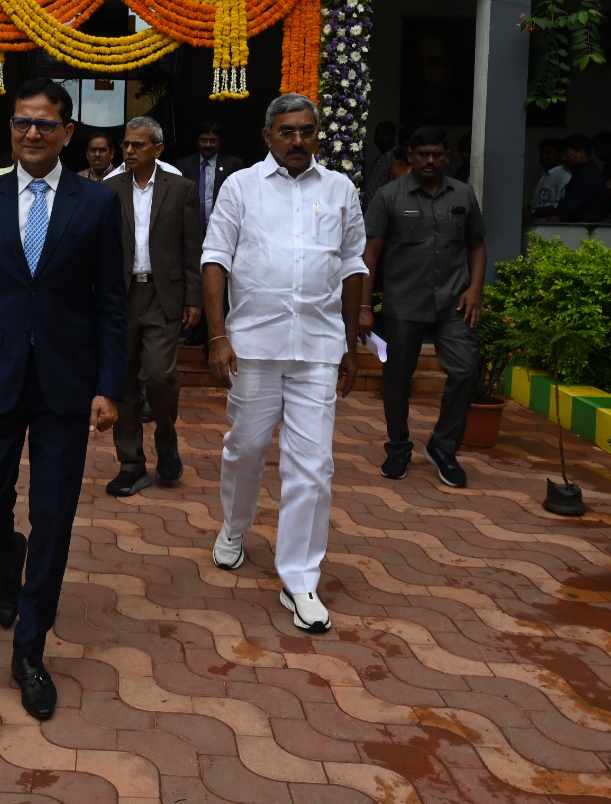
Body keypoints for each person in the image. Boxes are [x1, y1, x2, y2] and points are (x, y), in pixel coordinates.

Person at [0, 77, 125, 722]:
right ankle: (6, 554)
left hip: (66, 384)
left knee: (54, 518)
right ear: (10, 129)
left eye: (45, 124)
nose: (32, 133)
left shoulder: (97, 204)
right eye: (22, 122)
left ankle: (30, 650)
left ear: (67, 133)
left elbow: (111, 303)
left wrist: (108, 385)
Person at [202, 93, 366, 634]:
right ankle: (235, 526)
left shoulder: (340, 189)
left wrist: (350, 342)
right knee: (245, 448)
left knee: (313, 466)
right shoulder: (240, 186)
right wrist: (218, 336)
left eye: (307, 131)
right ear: (268, 136)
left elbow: (353, 264)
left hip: (318, 347)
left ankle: (300, 578)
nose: (298, 140)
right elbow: (215, 259)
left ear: (318, 135)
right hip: (254, 345)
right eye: (288, 131)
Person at [359, 125, 485, 489]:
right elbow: (371, 253)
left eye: (437, 155)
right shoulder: (388, 196)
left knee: (466, 369)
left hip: (453, 304)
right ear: (410, 155)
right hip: (403, 305)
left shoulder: (463, 193)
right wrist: (365, 306)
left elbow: (476, 245)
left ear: (447, 156)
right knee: (397, 378)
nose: (430, 161)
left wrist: (475, 289)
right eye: (423, 154)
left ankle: (443, 447)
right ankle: (398, 446)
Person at [106, 117, 201, 496]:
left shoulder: (181, 189)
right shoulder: (109, 190)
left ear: (158, 149)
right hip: (121, 296)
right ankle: (131, 464)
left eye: (137, 145)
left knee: (160, 375)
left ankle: (166, 438)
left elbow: (192, 248)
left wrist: (193, 298)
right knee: (122, 380)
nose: (129, 151)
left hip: (164, 295)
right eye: (126, 144)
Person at [174, 121, 244, 229]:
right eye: (203, 140)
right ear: (197, 141)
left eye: (213, 141)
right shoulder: (184, 165)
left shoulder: (233, 165)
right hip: (191, 227)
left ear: (220, 142)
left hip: (223, 226)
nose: (207, 145)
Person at [550, 134, 607, 222]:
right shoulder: (581, 172)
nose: (564, 159)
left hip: (586, 227)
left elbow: (570, 206)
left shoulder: (587, 175)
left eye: (567, 154)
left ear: (581, 152)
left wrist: (551, 222)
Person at [526, 138, 570, 221]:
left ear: (560, 155)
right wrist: (528, 210)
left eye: (549, 153)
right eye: (541, 153)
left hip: (551, 227)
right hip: (537, 225)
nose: (544, 157)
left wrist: (531, 211)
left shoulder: (564, 177)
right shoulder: (544, 176)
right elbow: (537, 204)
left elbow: (559, 207)